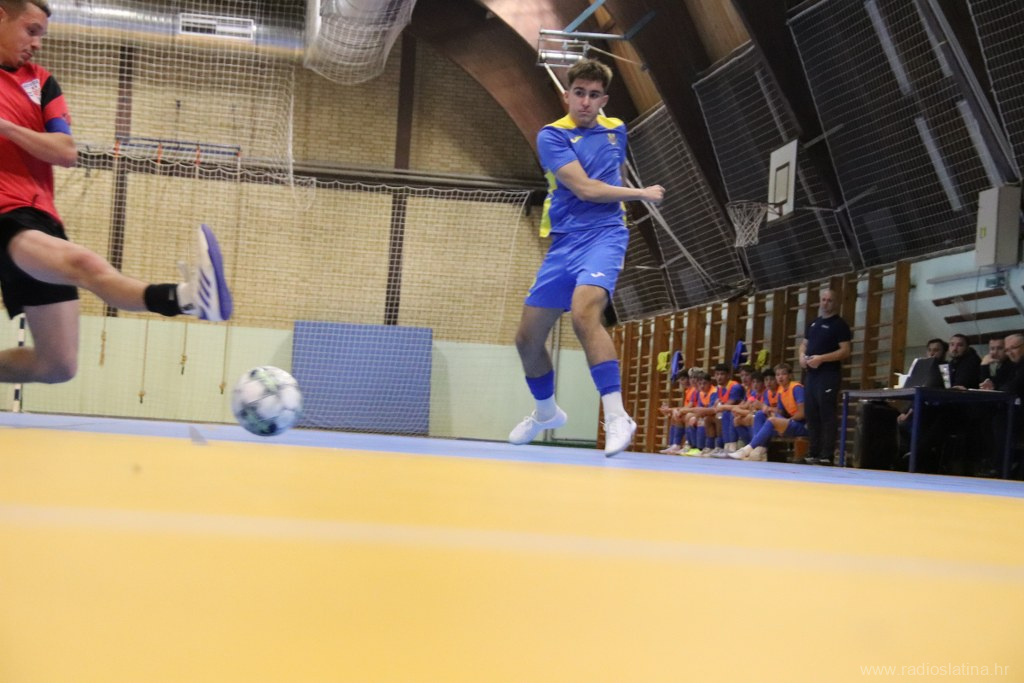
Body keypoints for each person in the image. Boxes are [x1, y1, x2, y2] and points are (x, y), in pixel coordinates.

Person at [0, 0, 231, 385]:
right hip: (6, 215)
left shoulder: (41, 83)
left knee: (57, 366)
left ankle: (187, 298)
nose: (37, 43)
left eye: (42, 35)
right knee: (84, 266)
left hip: (41, 218)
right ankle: (186, 297)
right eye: (31, 31)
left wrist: (5, 126)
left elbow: (65, 151)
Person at [507, 58, 664, 456]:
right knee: (527, 340)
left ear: (603, 101)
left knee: (583, 313)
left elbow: (610, 174)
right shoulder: (551, 136)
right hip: (564, 243)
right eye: (579, 93)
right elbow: (588, 189)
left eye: (594, 95)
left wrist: (622, 203)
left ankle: (617, 416)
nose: (585, 102)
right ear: (567, 96)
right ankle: (546, 412)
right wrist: (641, 194)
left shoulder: (617, 130)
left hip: (605, 236)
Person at [798, 288, 852, 465]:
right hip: (811, 376)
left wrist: (821, 358)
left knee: (826, 413)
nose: (826, 303)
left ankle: (826, 454)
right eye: (823, 300)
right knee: (811, 413)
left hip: (828, 375)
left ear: (835, 303)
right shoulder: (813, 323)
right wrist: (802, 357)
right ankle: (813, 452)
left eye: (829, 300)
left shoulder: (839, 325)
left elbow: (845, 351)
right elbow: (803, 345)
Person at [728, 363, 806, 462]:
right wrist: (770, 411)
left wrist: (785, 421)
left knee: (771, 420)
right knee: (760, 414)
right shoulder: (781, 391)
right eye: (778, 374)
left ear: (790, 375)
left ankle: (747, 449)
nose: (780, 377)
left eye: (783, 374)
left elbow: (802, 414)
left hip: (802, 425)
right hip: (790, 422)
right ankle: (758, 450)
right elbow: (780, 412)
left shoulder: (796, 388)